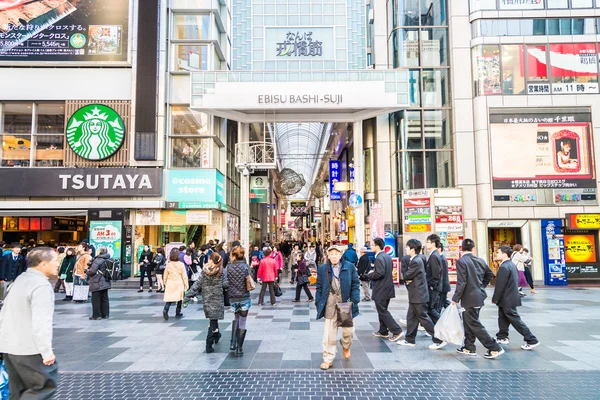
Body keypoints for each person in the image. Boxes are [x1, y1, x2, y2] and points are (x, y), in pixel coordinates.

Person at [0, 247, 59, 399]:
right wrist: (46, 351)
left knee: (17, 391)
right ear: (43, 264)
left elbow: (4, 314)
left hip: (9, 348)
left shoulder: (20, 280)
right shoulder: (41, 286)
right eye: (55, 261)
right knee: (42, 387)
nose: (58, 264)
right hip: (29, 350)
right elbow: (41, 321)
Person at [452, 239, 504, 359]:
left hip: (468, 297)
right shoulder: (480, 260)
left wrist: (455, 298)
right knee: (469, 321)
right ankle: (469, 347)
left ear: (461, 249)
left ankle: (494, 347)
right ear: (473, 249)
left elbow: (462, 282)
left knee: (473, 323)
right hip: (478, 295)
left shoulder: (461, 261)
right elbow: (490, 274)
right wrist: (481, 286)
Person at [315, 245, 360, 370]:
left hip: (345, 304)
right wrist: (318, 301)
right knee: (329, 334)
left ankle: (345, 345)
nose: (334, 256)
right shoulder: (323, 268)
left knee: (349, 332)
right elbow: (319, 286)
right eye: (331, 254)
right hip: (329, 304)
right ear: (328, 256)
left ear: (341, 255)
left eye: (336, 254)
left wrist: (355, 299)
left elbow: (355, 283)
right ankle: (328, 358)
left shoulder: (349, 267)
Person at [398, 239, 447, 349]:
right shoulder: (419, 258)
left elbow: (406, 275)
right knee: (411, 317)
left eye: (407, 247)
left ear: (413, 249)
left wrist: (408, 278)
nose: (406, 249)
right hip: (417, 294)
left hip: (418, 294)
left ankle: (438, 339)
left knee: (423, 318)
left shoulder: (416, 261)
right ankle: (409, 339)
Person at [493, 246, 540, 350]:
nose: (496, 254)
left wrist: (495, 298)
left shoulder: (504, 267)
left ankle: (531, 339)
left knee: (514, 319)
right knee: (503, 317)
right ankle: (502, 336)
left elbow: (500, 285)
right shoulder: (511, 264)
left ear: (504, 254)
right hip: (509, 297)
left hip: (507, 298)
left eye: (498, 252)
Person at [185, 253, 228, 354]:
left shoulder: (204, 271)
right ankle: (209, 344)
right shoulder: (222, 271)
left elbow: (197, 284)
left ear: (210, 260)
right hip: (217, 299)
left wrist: (188, 296)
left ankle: (217, 335)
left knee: (213, 319)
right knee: (213, 320)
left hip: (207, 299)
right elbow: (225, 284)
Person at [369, 238, 404, 342]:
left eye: (372, 245)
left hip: (381, 288)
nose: (371, 246)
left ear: (377, 246)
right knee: (382, 309)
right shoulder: (387, 256)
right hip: (388, 287)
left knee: (382, 311)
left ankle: (396, 330)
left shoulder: (379, 258)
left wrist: (369, 275)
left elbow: (379, 273)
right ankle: (383, 331)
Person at [227, 246, 251, 356]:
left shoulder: (228, 267)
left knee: (236, 318)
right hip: (244, 296)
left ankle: (233, 342)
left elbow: (225, 282)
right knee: (243, 321)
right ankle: (239, 347)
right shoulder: (246, 267)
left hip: (232, 297)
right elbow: (249, 279)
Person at [85, 246, 112, 320]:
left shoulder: (98, 260)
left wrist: (86, 271)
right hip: (106, 281)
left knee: (96, 299)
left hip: (97, 281)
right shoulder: (108, 259)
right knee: (105, 298)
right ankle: (105, 314)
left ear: (99, 251)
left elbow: (92, 271)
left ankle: (96, 315)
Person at [162, 248, 188, 321]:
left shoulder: (168, 265)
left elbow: (165, 275)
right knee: (179, 299)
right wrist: (186, 285)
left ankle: (165, 310)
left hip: (170, 283)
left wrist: (164, 283)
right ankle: (178, 312)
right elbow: (184, 276)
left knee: (169, 299)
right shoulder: (181, 265)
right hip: (179, 283)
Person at [425, 234, 443, 324]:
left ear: (433, 243)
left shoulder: (434, 256)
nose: (426, 244)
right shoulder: (434, 255)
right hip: (435, 287)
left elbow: (436, 274)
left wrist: (432, 285)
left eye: (428, 242)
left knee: (430, 309)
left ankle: (443, 325)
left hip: (434, 287)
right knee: (432, 308)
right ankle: (438, 327)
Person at [438, 243, 451, 311]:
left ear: (439, 249)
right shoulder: (440, 258)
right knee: (443, 302)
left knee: (440, 304)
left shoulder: (442, 259)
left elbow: (443, 274)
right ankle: (456, 312)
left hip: (443, 286)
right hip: (442, 286)